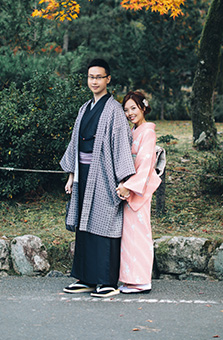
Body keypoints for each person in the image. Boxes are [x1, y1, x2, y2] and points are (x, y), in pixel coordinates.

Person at [61, 59, 136, 298]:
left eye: (99, 77)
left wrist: (124, 181)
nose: (94, 81)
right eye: (91, 77)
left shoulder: (114, 109)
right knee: (85, 226)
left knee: (104, 225)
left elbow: (121, 145)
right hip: (84, 175)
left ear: (108, 79)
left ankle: (106, 281)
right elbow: (75, 144)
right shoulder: (84, 108)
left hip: (104, 174)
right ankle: (85, 278)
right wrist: (72, 175)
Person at [116, 91, 162, 294]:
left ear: (143, 107)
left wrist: (129, 185)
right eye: (126, 110)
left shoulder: (148, 133)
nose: (130, 113)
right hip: (131, 187)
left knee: (139, 234)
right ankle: (130, 278)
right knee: (129, 235)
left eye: (133, 108)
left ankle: (142, 280)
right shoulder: (134, 131)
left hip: (139, 189)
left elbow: (145, 164)